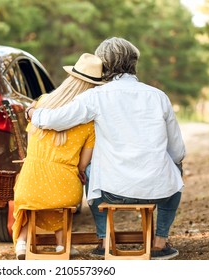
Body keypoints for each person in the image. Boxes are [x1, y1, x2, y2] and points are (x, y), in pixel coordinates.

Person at [26, 37, 186, 260]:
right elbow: (177, 151)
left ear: (104, 66)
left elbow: (55, 119)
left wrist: (32, 113)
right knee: (176, 170)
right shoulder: (159, 97)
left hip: (112, 192)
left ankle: (104, 241)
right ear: (134, 63)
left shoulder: (94, 97)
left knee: (89, 169)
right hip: (158, 191)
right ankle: (160, 243)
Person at [12, 53, 105, 260]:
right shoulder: (88, 121)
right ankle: (62, 245)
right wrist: (80, 172)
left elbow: (31, 139)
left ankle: (22, 243)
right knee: (59, 195)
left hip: (31, 183)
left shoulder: (41, 104)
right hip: (65, 187)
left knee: (34, 196)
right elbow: (83, 163)